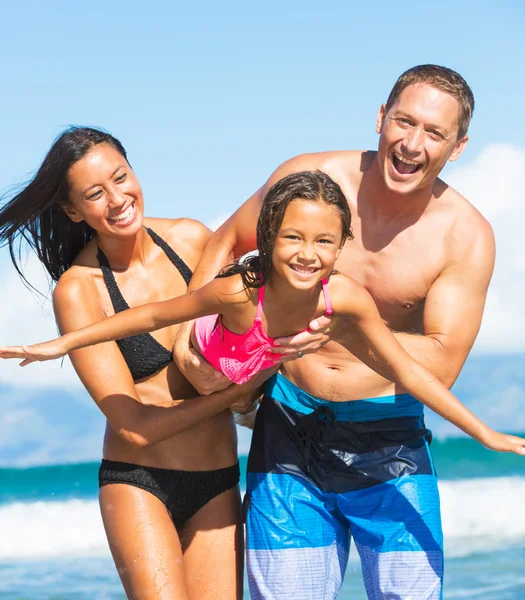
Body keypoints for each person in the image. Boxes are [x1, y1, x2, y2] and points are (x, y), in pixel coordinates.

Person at [169, 65, 500, 599]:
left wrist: (335, 327)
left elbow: (442, 364)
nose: (413, 144)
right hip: (289, 432)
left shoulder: (464, 236)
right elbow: (227, 240)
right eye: (404, 122)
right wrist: (190, 342)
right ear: (380, 118)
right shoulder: (312, 177)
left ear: (457, 147)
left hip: (389, 439)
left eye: (434, 133)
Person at [0, 126, 268, 600]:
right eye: (94, 194)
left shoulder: (192, 240)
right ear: (72, 210)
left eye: (121, 178)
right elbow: (135, 427)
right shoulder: (79, 289)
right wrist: (231, 395)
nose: (117, 199)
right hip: (140, 484)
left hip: (219, 481)